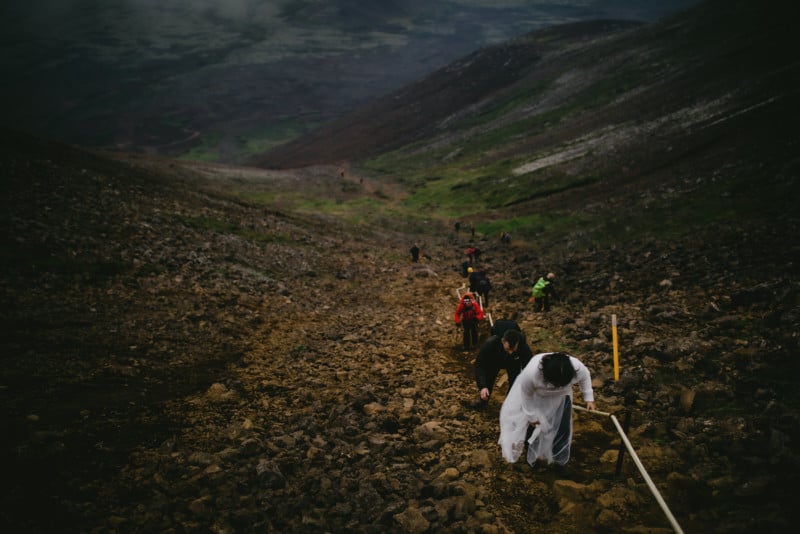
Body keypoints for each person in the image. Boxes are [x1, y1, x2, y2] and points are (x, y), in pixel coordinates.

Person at [498, 352, 596, 468]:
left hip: (561, 398)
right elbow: (526, 397)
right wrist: (532, 416)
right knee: (534, 427)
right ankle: (532, 454)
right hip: (537, 397)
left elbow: (585, 377)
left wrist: (589, 398)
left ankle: (557, 458)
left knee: (562, 426)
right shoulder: (531, 374)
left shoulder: (576, 367)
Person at [467, 326, 533, 410]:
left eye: (513, 350)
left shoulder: (523, 347)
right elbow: (479, 365)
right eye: (508, 349)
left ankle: (510, 405)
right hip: (495, 360)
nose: (510, 352)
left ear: (518, 343)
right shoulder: (490, 344)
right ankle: (483, 400)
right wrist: (483, 386)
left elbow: (529, 367)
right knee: (489, 379)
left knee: (515, 381)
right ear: (503, 341)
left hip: (514, 362)